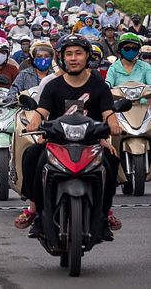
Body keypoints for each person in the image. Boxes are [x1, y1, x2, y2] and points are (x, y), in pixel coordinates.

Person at [20, 34, 123, 239]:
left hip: (92, 142)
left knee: (111, 160)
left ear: (87, 56)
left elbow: (108, 112)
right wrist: (34, 122)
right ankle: (35, 211)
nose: (73, 58)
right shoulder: (53, 85)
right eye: (69, 54)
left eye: (78, 53)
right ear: (62, 58)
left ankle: (105, 214)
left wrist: (113, 124)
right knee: (32, 156)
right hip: (56, 141)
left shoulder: (99, 84)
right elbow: (42, 110)